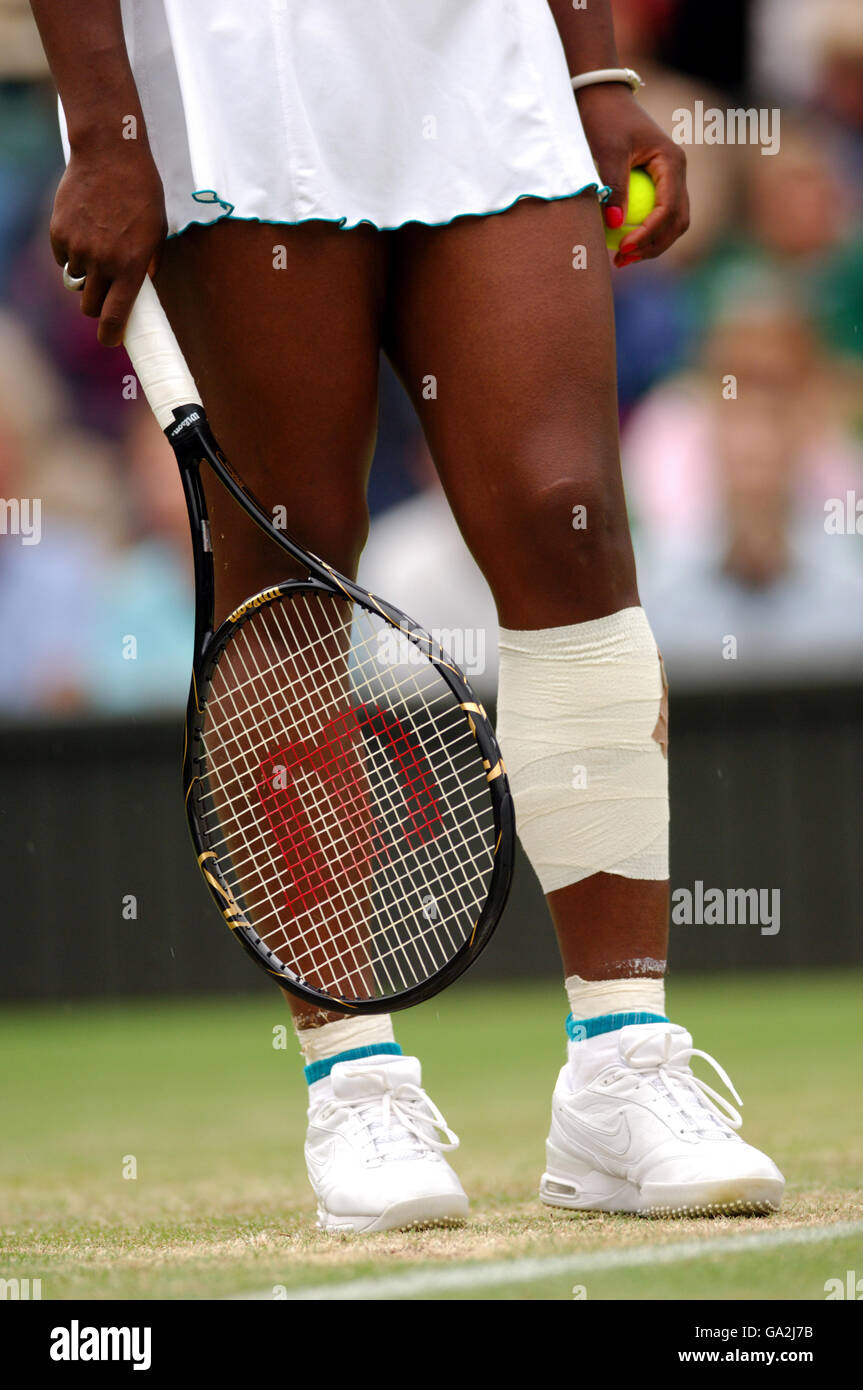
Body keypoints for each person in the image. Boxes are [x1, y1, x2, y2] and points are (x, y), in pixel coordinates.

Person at [31, 0, 783, 1232]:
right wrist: (109, 129)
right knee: (291, 550)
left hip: (478, 45)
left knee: (567, 511)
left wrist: (593, 73)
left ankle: (621, 1064)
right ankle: (354, 1080)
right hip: (229, 69)